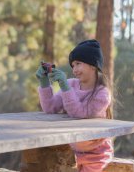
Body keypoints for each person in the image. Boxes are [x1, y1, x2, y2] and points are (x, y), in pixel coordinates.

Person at [35, 39, 113, 172]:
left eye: (78, 64)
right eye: (72, 66)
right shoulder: (71, 84)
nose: (74, 69)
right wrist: (44, 82)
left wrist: (64, 87)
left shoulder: (102, 94)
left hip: (96, 153)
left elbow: (80, 113)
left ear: (93, 65)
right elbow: (50, 107)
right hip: (72, 152)